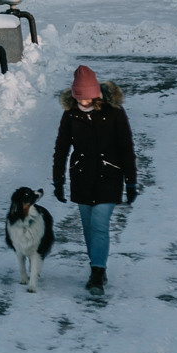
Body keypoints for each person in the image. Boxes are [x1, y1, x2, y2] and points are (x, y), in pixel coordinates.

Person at [52, 65, 137, 294]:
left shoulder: (114, 111)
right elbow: (61, 147)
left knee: (99, 224)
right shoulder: (71, 113)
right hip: (82, 177)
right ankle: (97, 266)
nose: (85, 102)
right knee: (89, 228)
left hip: (109, 175)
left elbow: (126, 146)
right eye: (81, 98)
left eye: (88, 98)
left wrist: (131, 181)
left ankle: (97, 275)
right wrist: (58, 180)